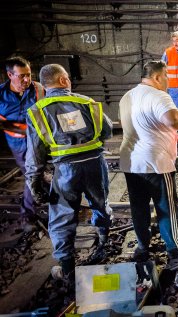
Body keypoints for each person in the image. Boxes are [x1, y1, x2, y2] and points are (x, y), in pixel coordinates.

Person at [25, 64, 113, 280]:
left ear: (45, 85)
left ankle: (67, 269)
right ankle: (102, 243)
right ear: (63, 81)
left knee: (62, 217)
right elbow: (108, 130)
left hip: (65, 170)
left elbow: (35, 154)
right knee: (100, 204)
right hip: (94, 164)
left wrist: (34, 183)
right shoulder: (86, 102)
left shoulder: (37, 111)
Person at [119, 60, 178, 267]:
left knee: (139, 208)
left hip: (131, 163)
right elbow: (172, 119)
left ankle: (142, 248)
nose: (168, 81)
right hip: (156, 163)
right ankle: (173, 249)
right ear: (156, 77)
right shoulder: (158, 95)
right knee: (167, 209)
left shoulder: (127, 96)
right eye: (166, 76)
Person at [0, 56, 44, 225]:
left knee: (34, 174)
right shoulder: (1, 94)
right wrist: (23, 129)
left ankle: (29, 212)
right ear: (10, 75)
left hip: (39, 141)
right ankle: (28, 214)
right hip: (18, 144)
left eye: (29, 75)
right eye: (21, 76)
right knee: (31, 175)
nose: (26, 79)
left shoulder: (38, 89)